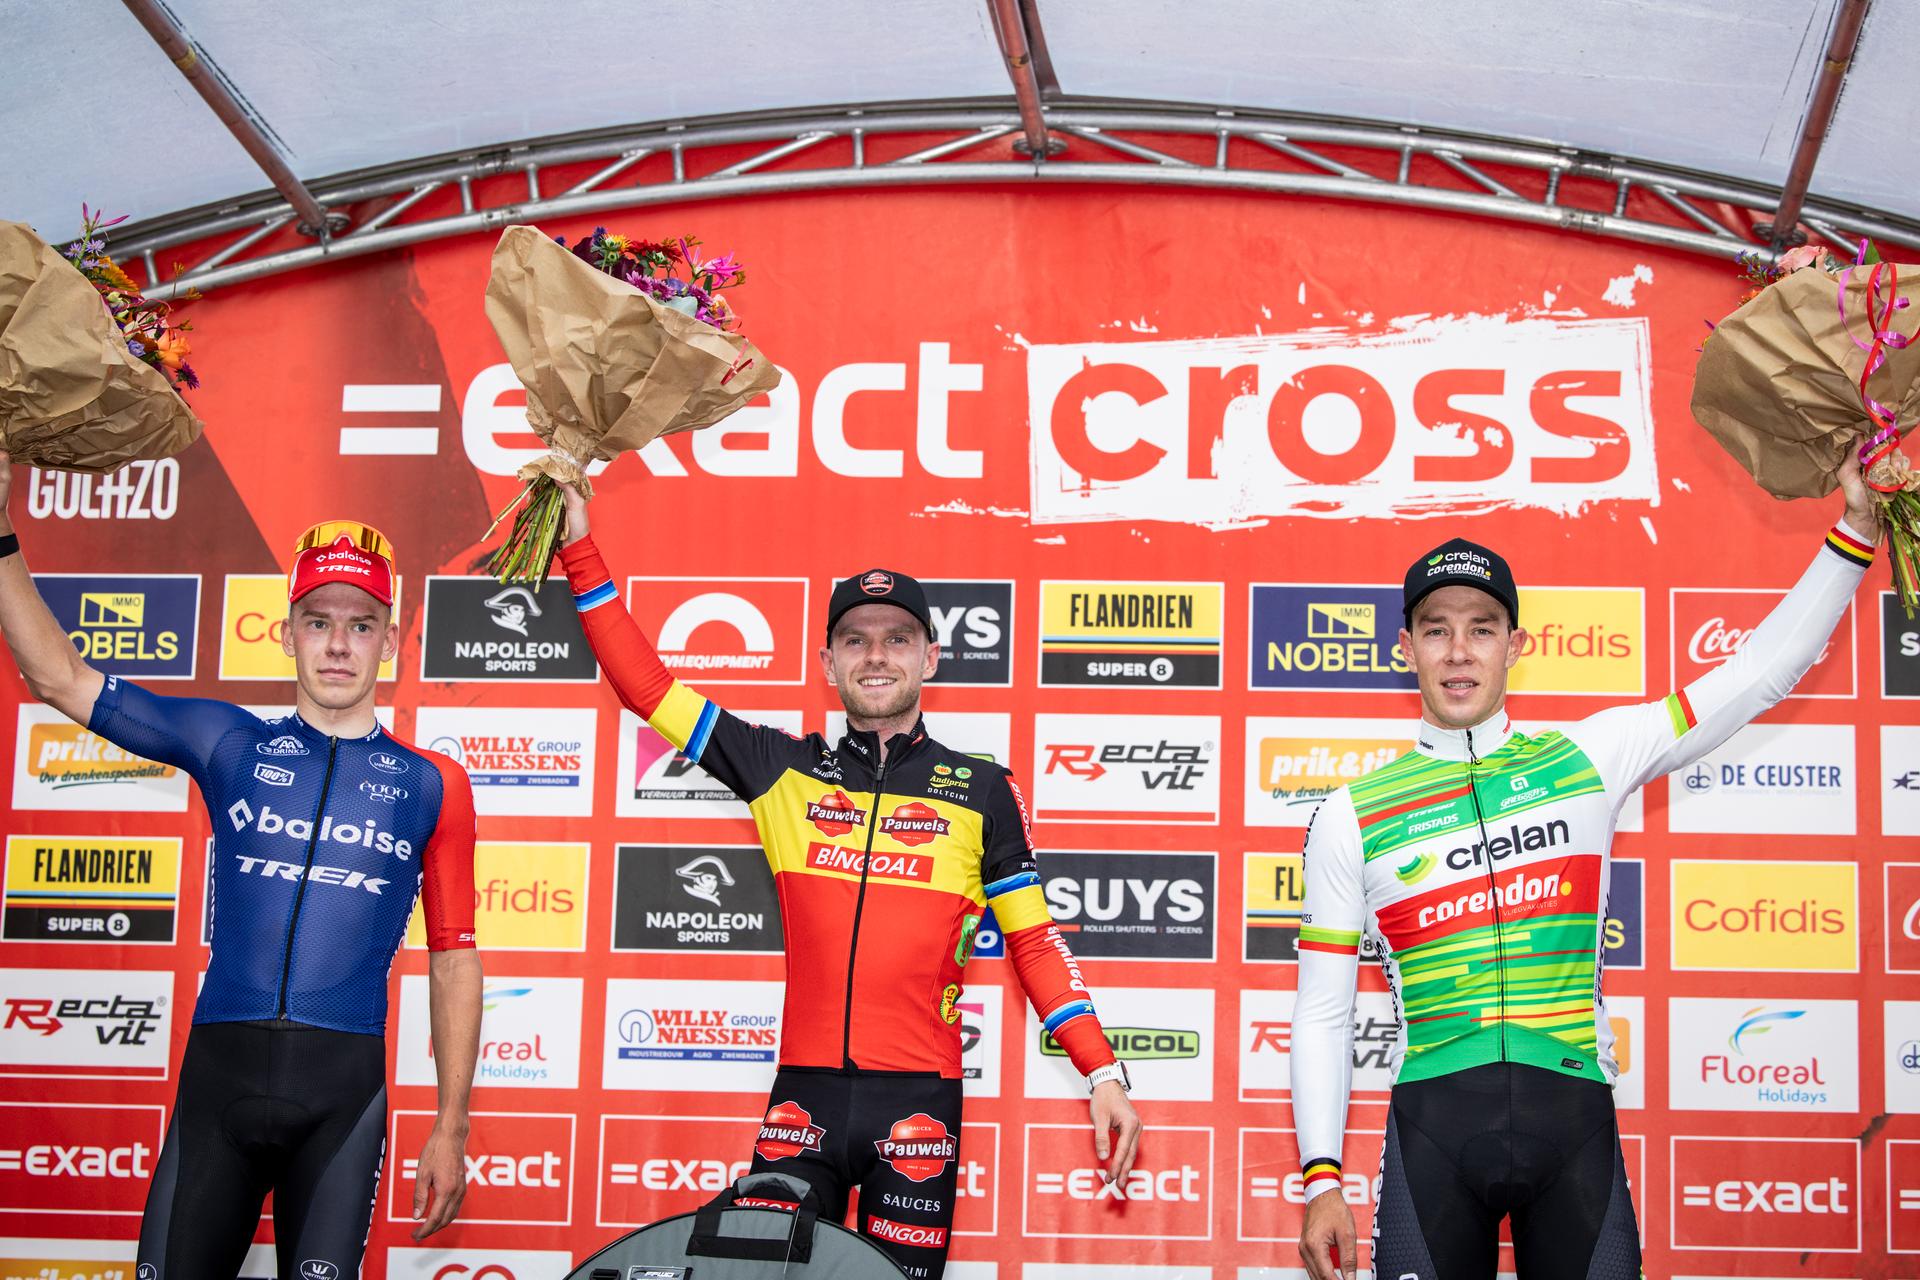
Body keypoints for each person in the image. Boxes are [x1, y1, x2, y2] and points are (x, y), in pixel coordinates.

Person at [1291, 458, 1883, 1280]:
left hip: (1574, 1129)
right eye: (1436, 628)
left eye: (1482, 627)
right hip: (1432, 1131)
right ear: (1406, 648)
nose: (1459, 651)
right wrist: (1321, 1177)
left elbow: (1755, 677)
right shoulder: (1352, 814)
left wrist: (1853, 532)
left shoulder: (1590, 757)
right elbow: (1322, 1013)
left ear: (1516, 646)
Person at [555, 485, 1142, 1280]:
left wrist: (1101, 1069)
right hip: (803, 1104)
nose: (876, 655)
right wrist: (578, 543)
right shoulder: (778, 768)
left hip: (919, 1110)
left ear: (930, 658)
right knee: (755, 1274)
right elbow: (645, 687)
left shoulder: (983, 790)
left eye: (898, 638)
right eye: (856, 640)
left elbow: (1034, 941)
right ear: (827, 660)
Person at [0, 453, 482, 1280]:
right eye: (320, 620)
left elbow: (455, 958)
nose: (338, 644)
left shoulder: (433, 783)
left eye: (361, 624)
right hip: (217, 1085)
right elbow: (60, 676)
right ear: (287, 630)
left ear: (391, 639)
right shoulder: (229, 741)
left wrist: (453, 1126)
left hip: (344, 1098)